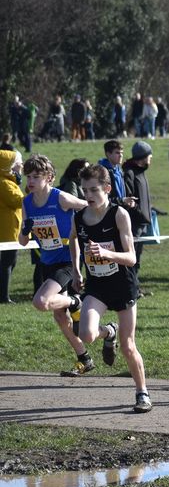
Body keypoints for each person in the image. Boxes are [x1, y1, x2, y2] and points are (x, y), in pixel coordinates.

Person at [68, 164, 151, 413]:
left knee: (128, 346)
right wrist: (76, 269)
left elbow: (131, 258)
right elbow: (73, 239)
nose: (88, 195)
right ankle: (108, 333)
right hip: (97, 286)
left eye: (93, 190)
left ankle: (142, 392)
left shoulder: (118, 214)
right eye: (84, 190)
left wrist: (105, 253)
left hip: (123, 285)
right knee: (87, 334)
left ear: (107, 188)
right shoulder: (79, 217)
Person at [19, 155, 91, 370]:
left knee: (41, 301)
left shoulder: (61, 198)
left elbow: (91, 206)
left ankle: (75, 302)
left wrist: (85, 232)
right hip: (48, 261)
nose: (30, 181)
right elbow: (23, 242)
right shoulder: (26, 202)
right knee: (60, 317)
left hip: (68, 259)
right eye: (28, 176)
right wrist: (25, 230)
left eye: (36, 176)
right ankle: (86, 357)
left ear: (49, 177)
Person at [121, 141, 153, 291]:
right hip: (134, 223)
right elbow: (129, 199)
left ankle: (135, 287)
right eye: (149, 155)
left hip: (142, 223)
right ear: (143, 157)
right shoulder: (130, 173)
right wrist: (138, 212)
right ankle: (131, 288)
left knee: (137, 258)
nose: (151, 158)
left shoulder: (141, 172)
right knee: (132, 257)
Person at [0, 150, 23, 303]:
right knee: (8, 262)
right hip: (7, 229)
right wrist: (38, 195)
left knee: (10, 262)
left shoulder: (8, 181)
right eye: (17, 164)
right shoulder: (4, 183)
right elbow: (17, 201)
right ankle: (3, 297)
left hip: (11, 228)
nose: (20, 166)